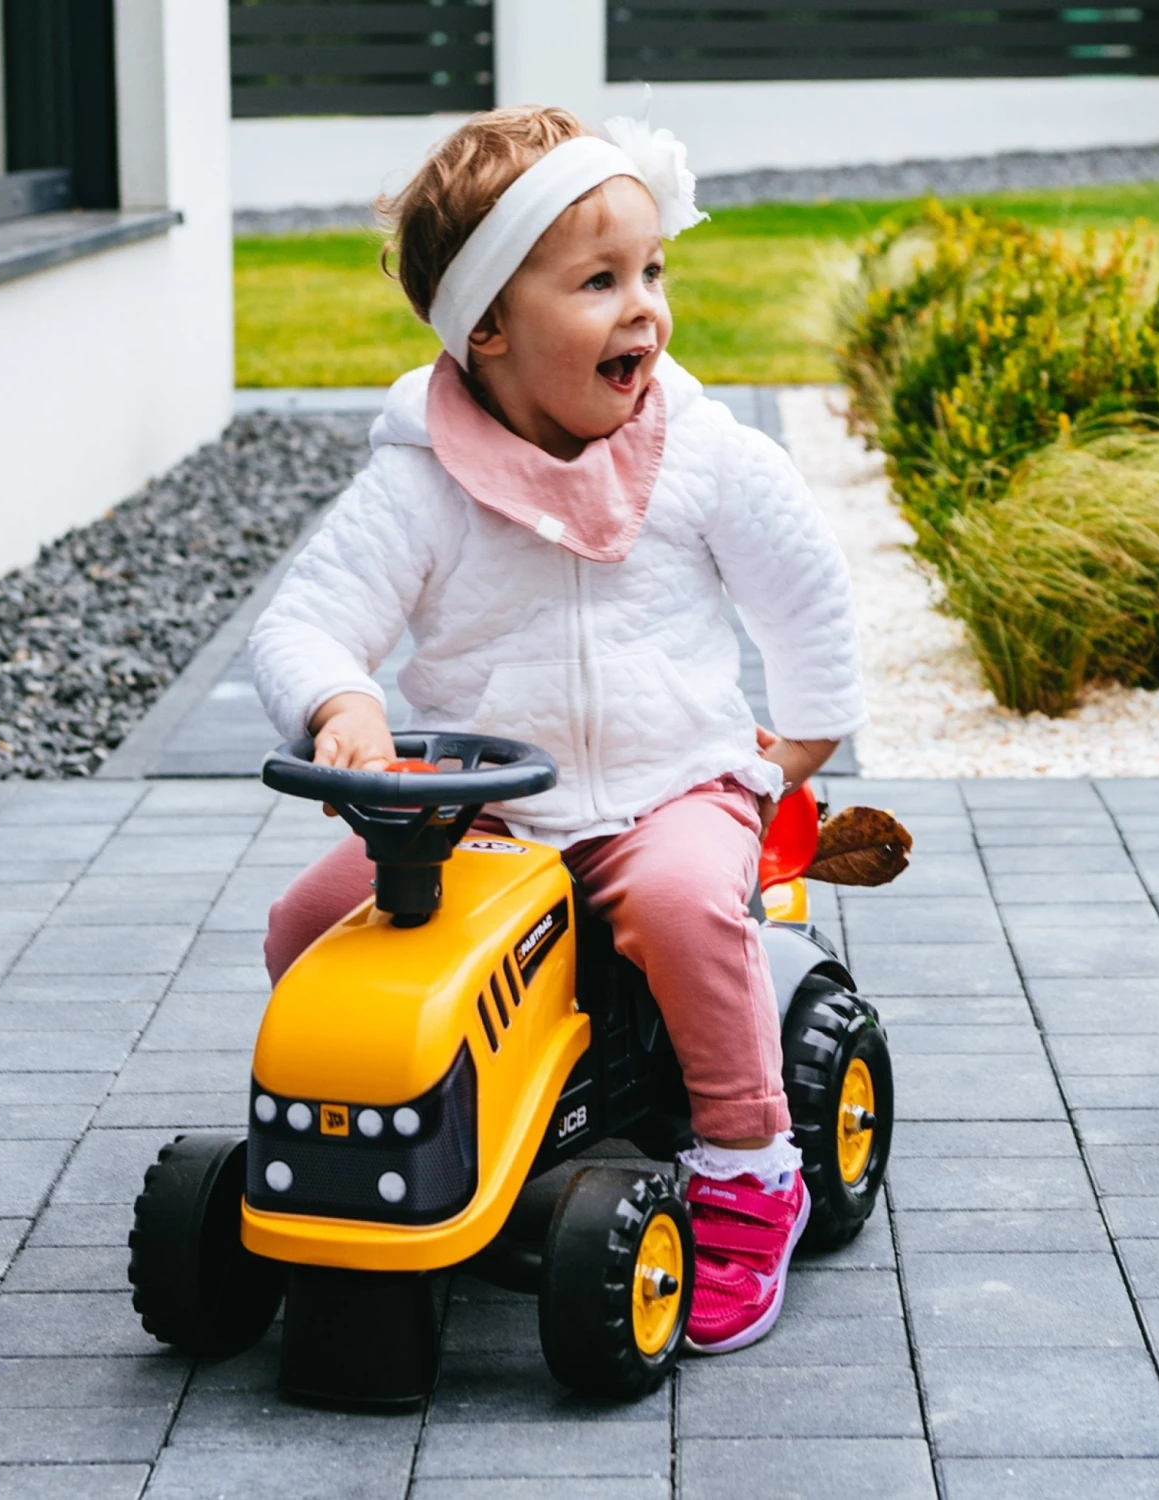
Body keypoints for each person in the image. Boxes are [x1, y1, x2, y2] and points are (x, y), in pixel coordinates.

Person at [249, 105, 865, 1355]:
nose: (644, 307)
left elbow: (805, 589)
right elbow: (304, 621)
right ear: (487, 327)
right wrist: (343, 704)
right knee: (310, 923)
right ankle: (385, 1125)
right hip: (483, 807)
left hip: (668, 785)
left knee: (690, 908)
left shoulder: (692, 450)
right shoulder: (420, 480)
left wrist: (798, 745)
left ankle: (751, 1169)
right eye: (598, 281)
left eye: (653, 271)